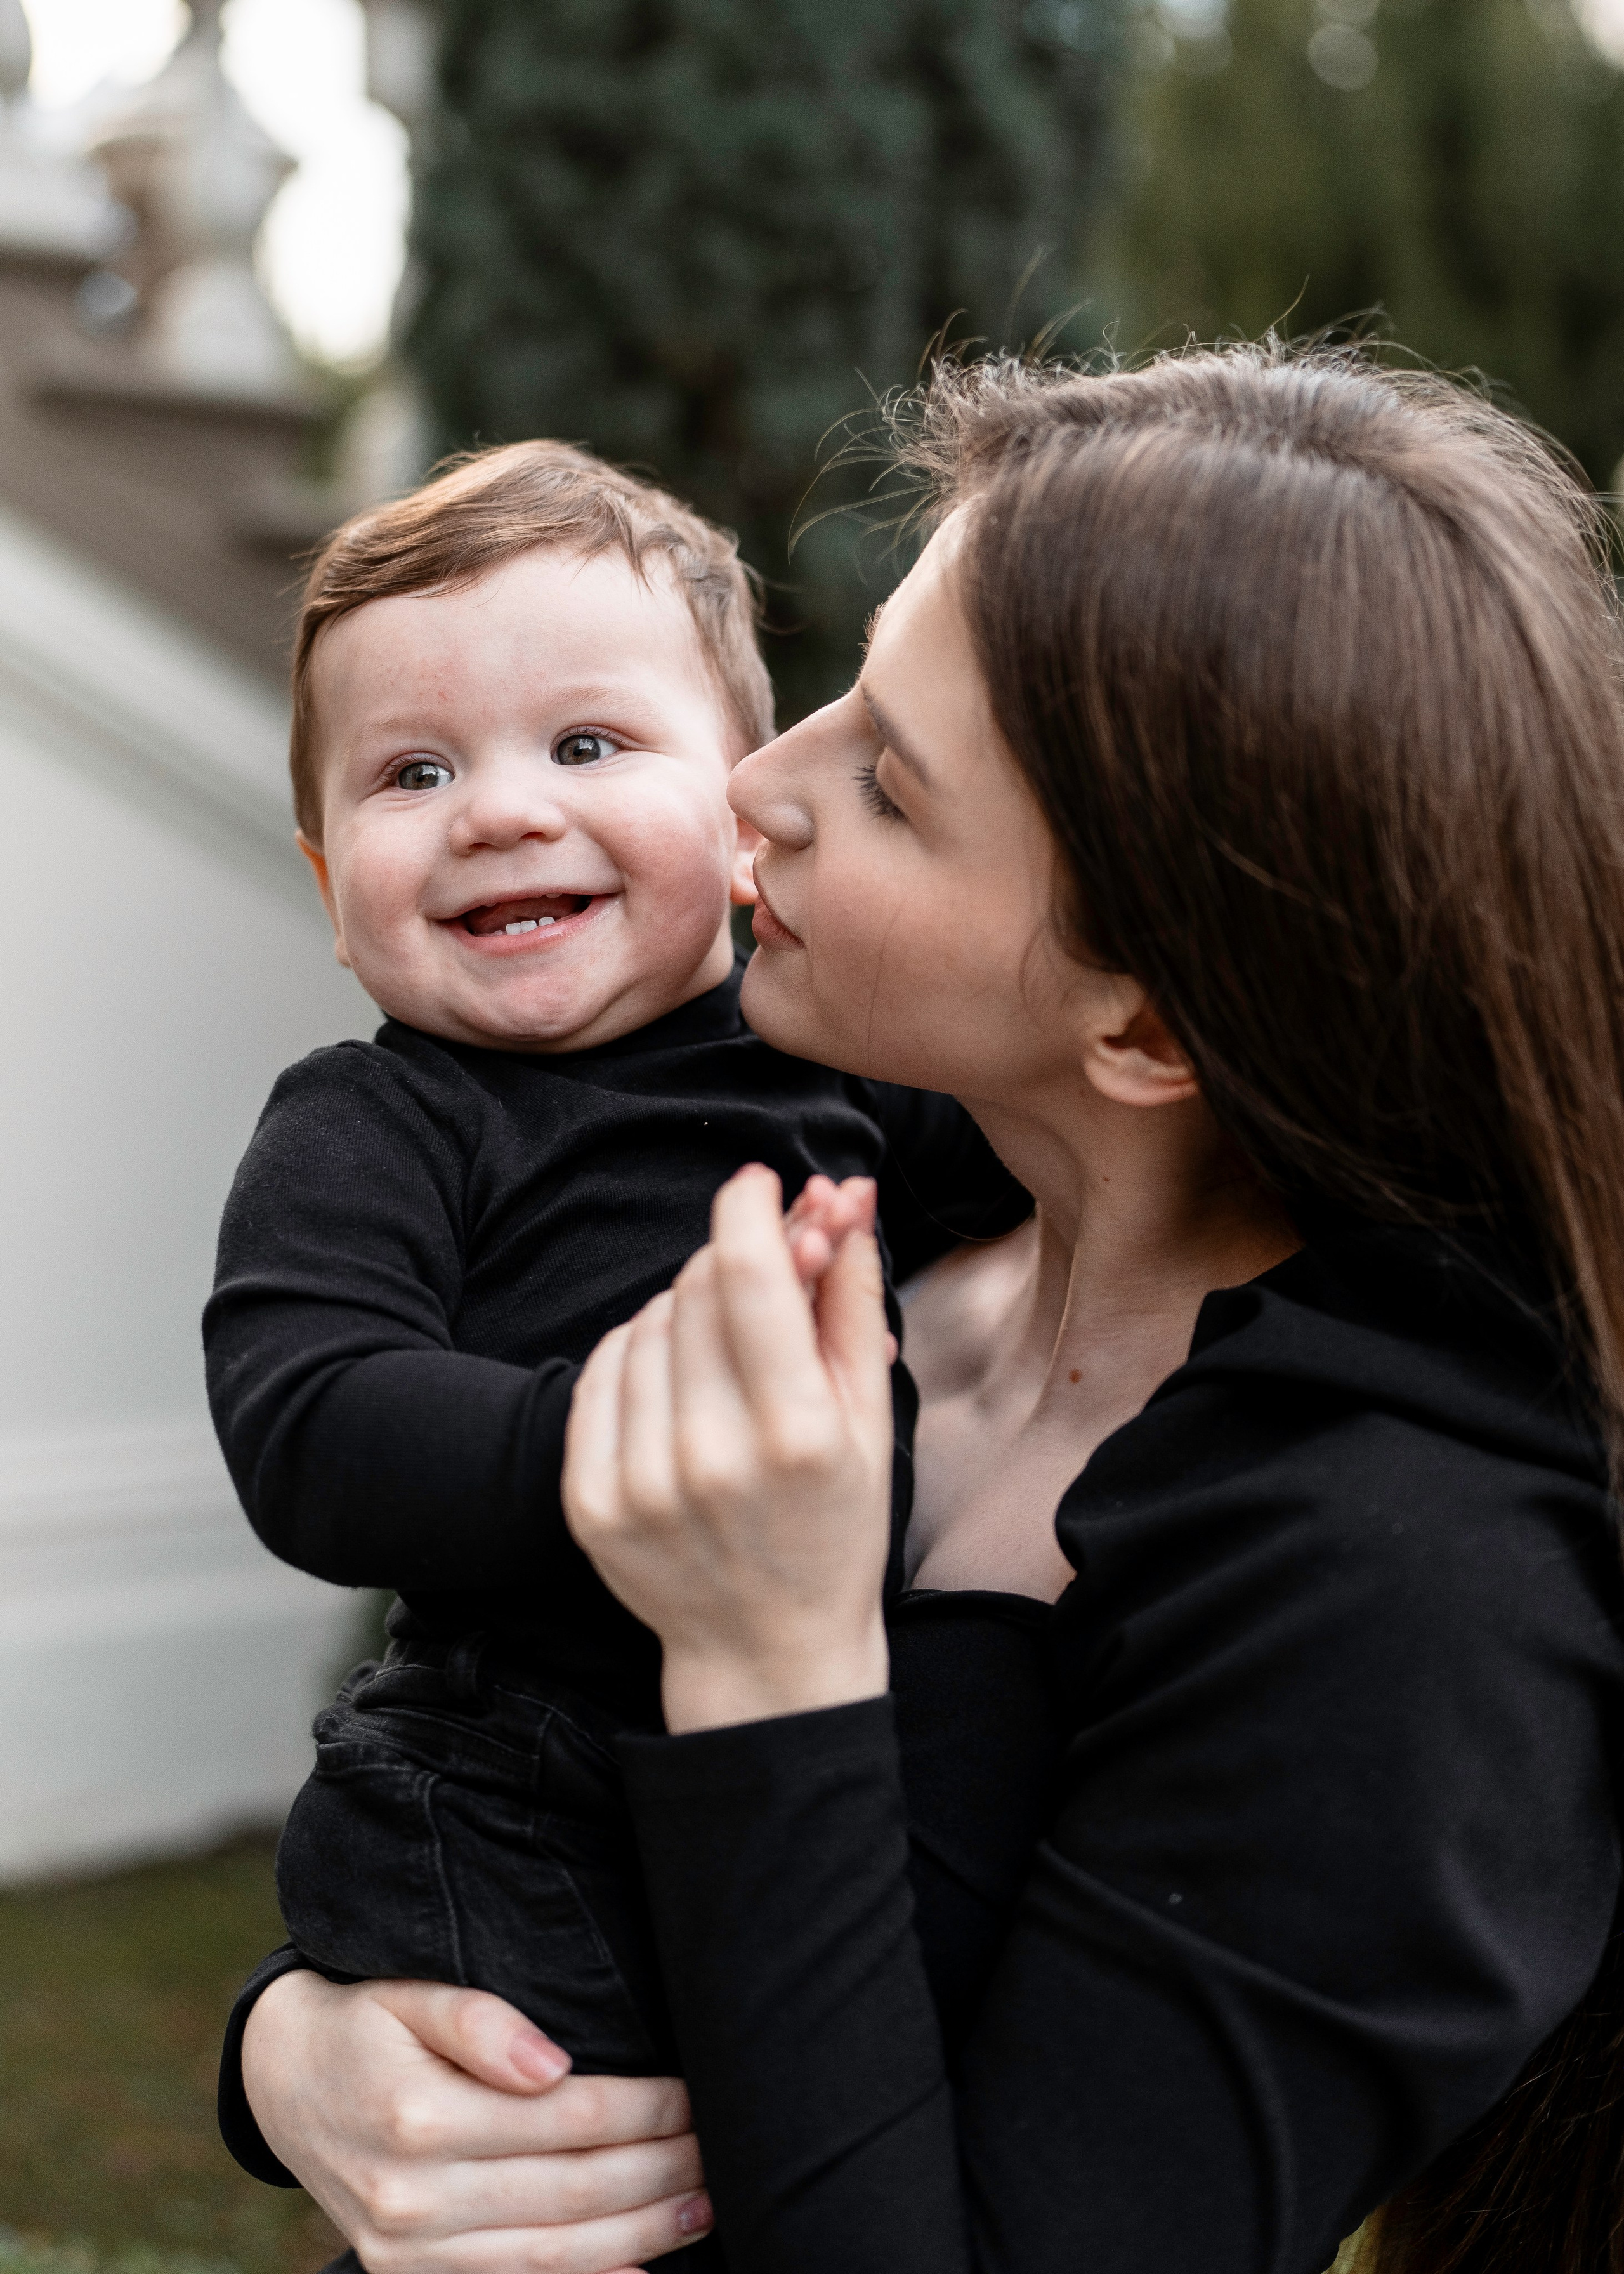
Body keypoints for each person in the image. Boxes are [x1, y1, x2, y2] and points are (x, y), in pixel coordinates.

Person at [223, 344, 1624, 2274]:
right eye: (848, 688)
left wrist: (771, 1652)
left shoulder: (1405, 1593)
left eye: (886, 778)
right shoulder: (866, 1207)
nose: (757, 789)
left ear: (1142, 1020)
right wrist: (302, 2053)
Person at [202, 438, 1023, 2227]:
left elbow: (1065, 1165)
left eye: (586, 746)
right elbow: (308, 1415)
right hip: (503, 1787)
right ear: (330, 882)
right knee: (569, 2184)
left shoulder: (845, 1076)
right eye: (413, 774)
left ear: (745, 817)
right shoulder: (377, 1123)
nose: (500, 809)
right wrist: (625, 1442)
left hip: (796, 1754)